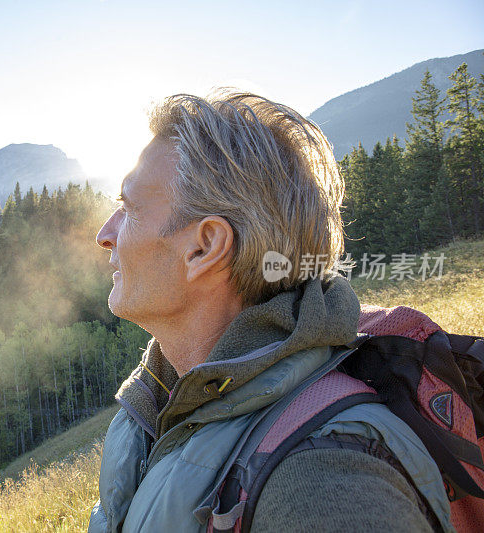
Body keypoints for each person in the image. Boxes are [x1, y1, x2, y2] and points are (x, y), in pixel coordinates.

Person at [87, 91, 451, 532]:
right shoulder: (161, 398)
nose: (105, 235)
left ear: (204, 247)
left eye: (128, 208)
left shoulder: (323, 482)